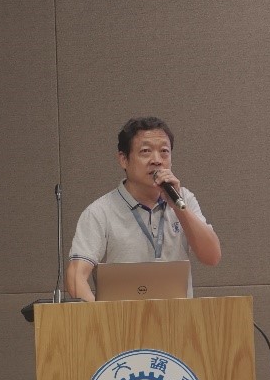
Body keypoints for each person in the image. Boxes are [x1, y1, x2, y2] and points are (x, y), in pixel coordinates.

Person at [65, 116, 221, 301]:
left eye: (164, 152)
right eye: (146, 151)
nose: (157, 160)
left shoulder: (184, 199)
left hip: (178, 317)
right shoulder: (100, 212)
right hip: (121, 317)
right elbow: (75, 278)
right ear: (123, 159)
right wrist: (101, 314)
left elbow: (212, 257)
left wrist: (179, 208)